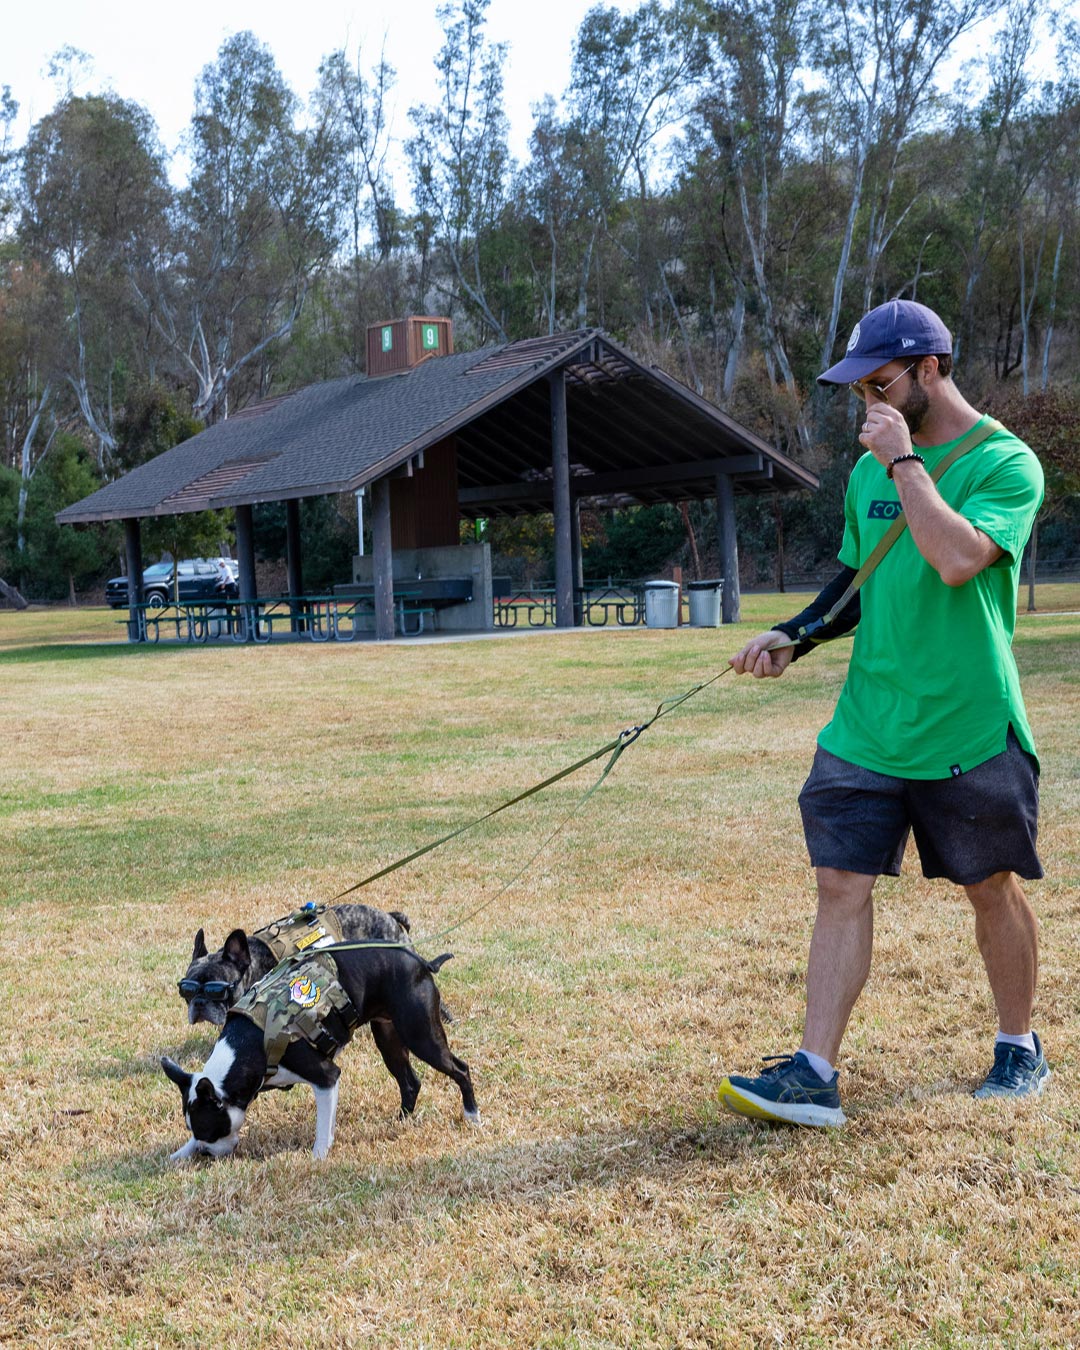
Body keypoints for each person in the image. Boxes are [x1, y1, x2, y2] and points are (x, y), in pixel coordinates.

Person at [717, 299, 1047, 1127]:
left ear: (929, 372)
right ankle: (814, 1072)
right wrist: (795, 634)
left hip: (968, 723)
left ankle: (1019, 1046)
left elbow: (959, 558)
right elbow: (860, 586)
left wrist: (908, 466)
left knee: (988, 886)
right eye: (857, 385)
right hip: (868, 720)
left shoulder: (1006, 463)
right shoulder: (868, 469)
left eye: (880, 382)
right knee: (839, 882)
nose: (866, 400)